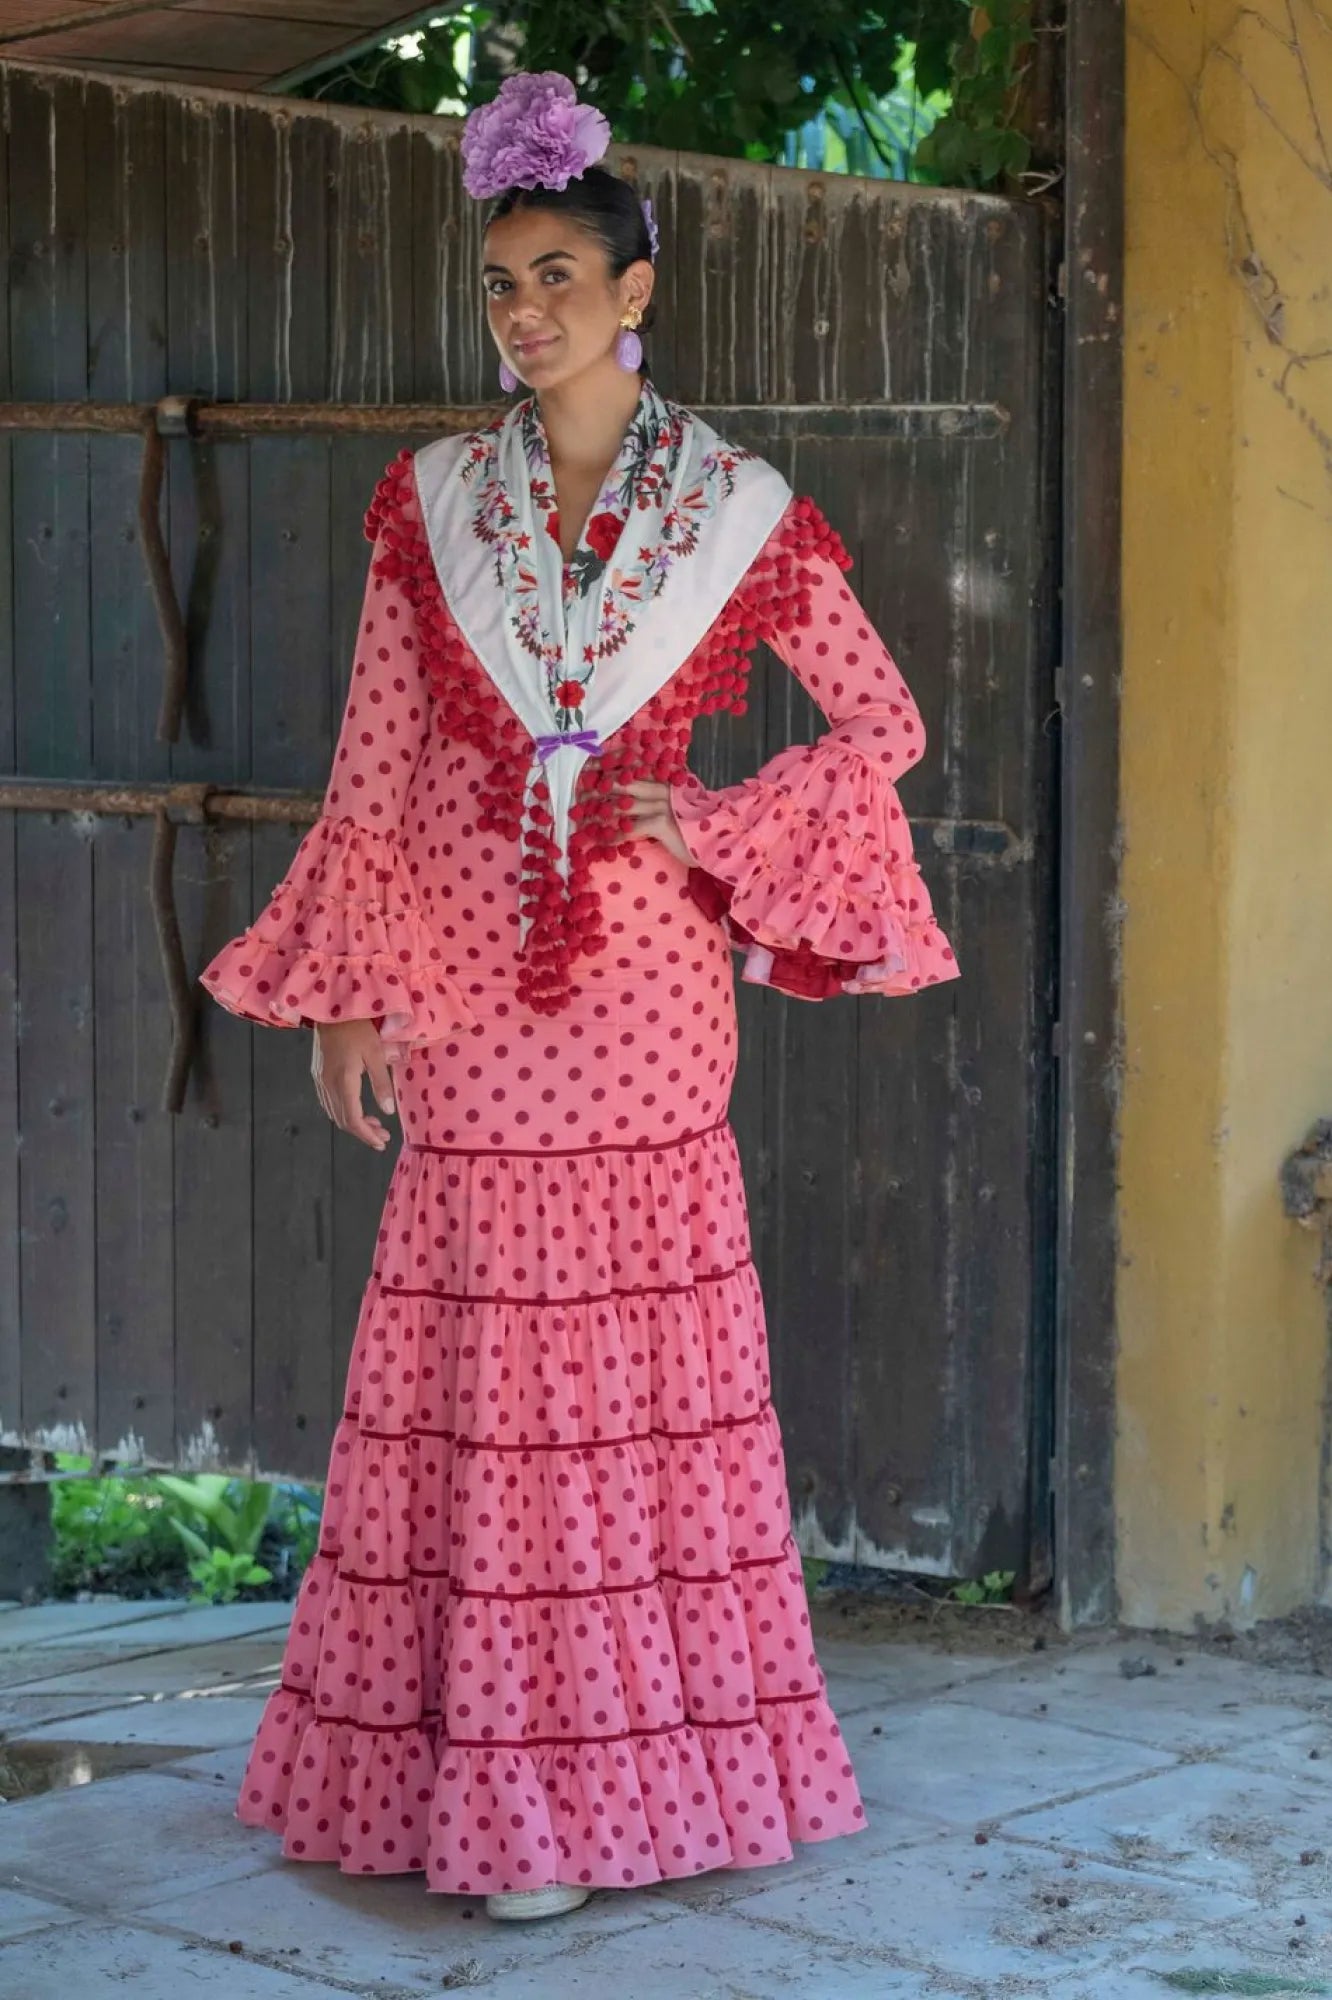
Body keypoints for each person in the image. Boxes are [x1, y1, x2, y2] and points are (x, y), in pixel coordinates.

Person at [199, 69, 960, 1926]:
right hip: (462, 989)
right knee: (480, 1378)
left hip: (643, 989)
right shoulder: (433, 498)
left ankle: (618, 1793)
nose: (525, 313)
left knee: (626, 1392)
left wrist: (704, 815)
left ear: (638, 291)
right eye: (499, 286)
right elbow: (374, 760)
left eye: (557, 277)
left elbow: (886, 726)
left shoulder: (737, 506)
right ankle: (481, 1789)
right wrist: (354, 997)